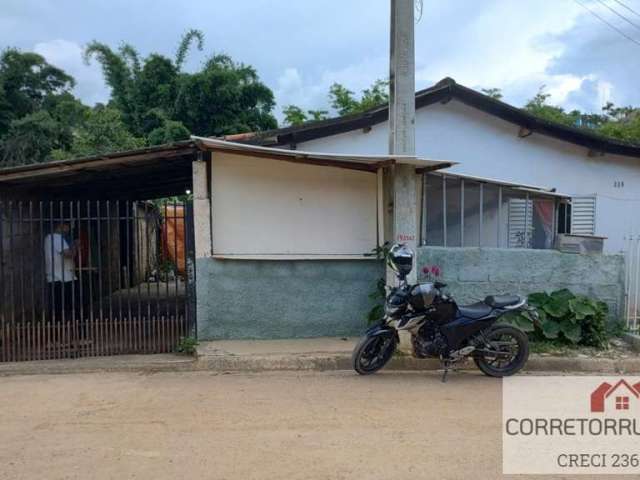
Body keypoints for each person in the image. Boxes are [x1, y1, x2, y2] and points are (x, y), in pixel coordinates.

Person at [44, 221, 77, 322]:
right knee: (69, 306)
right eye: (68, 227)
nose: (69, 230)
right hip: (63, 278)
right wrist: (75, 246)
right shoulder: (58, 238)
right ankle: (66, 328)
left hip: (54, 277)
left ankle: (56, 330)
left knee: (57, 306)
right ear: (62, 225)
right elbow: (68, 254)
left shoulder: (48, 238)